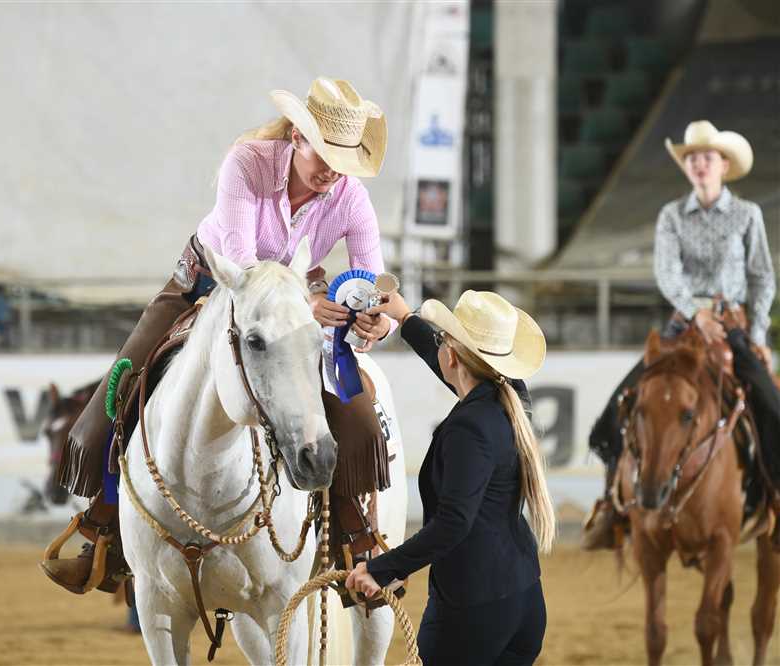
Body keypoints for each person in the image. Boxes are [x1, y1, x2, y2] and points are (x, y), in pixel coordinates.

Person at [42, 77, 398, 593]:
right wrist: (305, 303)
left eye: (343, 161)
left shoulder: (352, 199)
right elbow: (241, 262)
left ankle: (350, 539)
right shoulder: (247, 163)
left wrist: (377, 321)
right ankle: (105, 524)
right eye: (324, 155)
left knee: (359, 421)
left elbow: (374, 285)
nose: (331, 171)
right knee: (125, 383)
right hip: (209, 282)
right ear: (297, 137)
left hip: (291, 300)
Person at [582, 120, 780, 549]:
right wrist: (696, 313)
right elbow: (667, 274)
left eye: (707, 157)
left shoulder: (748, 215)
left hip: (732, 325)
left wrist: (759, 334)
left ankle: (776, 501)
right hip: (682, 326)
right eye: (692, 158)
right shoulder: (671, 215)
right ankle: (613, 506)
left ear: (723, 165)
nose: (699, 164)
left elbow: (762, 277)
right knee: (618, 408)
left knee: (771, 406)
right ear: (686, 167)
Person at [346, 289, 554, 665]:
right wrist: (406, 319)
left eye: (443, 340)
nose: (439, 346)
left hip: (472, 612)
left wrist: (382, 569)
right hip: (523, 599)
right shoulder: (509, 395)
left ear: (453, 356)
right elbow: (458, 367)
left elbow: (454, 523)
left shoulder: (468, 428)